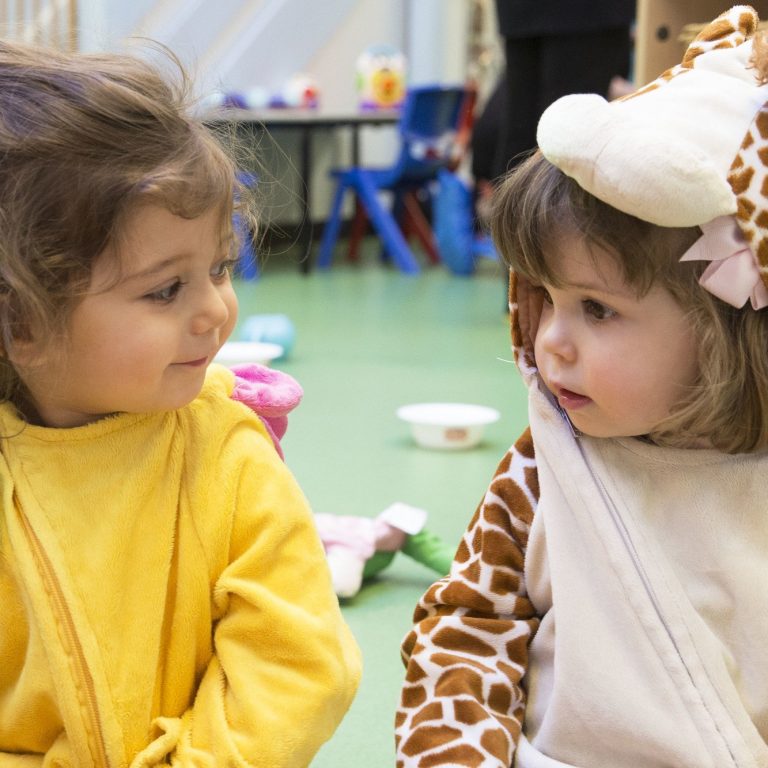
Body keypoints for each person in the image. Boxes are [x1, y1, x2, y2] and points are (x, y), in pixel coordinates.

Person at [396, 6, 768, 767]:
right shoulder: (540, 468)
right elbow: (465, 629)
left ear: (725, 327)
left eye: (597, 309)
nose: (550, 340)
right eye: (546, 300)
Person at [0, 39, 361, 766]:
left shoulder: (225, 453)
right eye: (166, 289)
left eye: (219, 268)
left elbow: (297, 666)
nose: (215, 311)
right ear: (22, 323)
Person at [492, 0, 634, 178]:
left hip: (525, 13)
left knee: (524, 128)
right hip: (588, 14)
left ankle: (515, 204)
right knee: (574, 137)